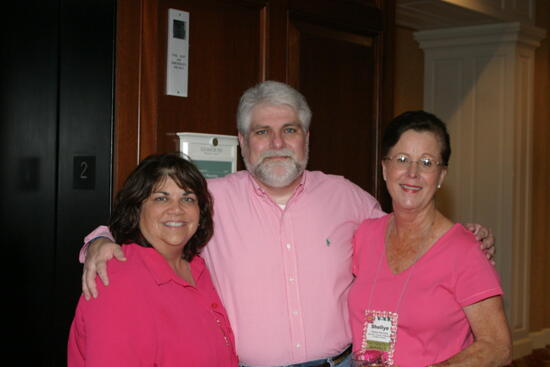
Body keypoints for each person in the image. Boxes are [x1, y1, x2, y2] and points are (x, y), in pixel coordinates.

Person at [80, 81, 495, 367]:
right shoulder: (208, 198)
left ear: (307, 138)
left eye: (289, 129)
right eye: (262, 131)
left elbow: (407, 230)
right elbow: (148, 219)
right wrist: (100, 241)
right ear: (243, 143)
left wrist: (464, 237)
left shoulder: (347, 197)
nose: (277, 143)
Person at [348, 111, 511, 367]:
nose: (412, 173)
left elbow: (497, 347)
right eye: (402, 159)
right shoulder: (365, 235)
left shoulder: (465, 250)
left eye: (426, 163)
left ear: (441, 176)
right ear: (384, 168)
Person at [68, 153, 238, 366]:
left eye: (188, 199)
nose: (177, 209)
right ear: (137, 208)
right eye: (161, 198)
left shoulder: (197, 268)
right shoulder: (117, 281)